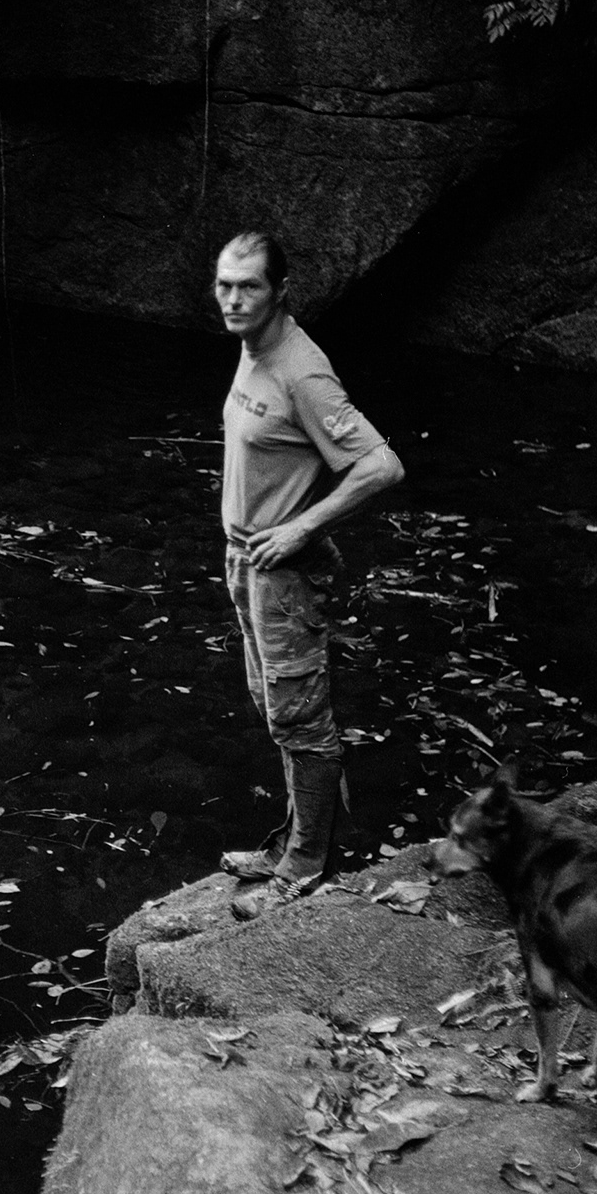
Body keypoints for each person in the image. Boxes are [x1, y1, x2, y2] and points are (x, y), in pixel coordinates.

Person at [213, 231, 404, 919]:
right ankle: (288, 845)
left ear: (280, 291)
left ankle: (304, 867)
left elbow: (382, 466)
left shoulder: (302, 370)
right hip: (246, 560)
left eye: (249, 286)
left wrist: (301, 527)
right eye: (225, 284)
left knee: (301, 717)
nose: (234, 299)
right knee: (273, 706)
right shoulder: (253, 347)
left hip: (284, 569)